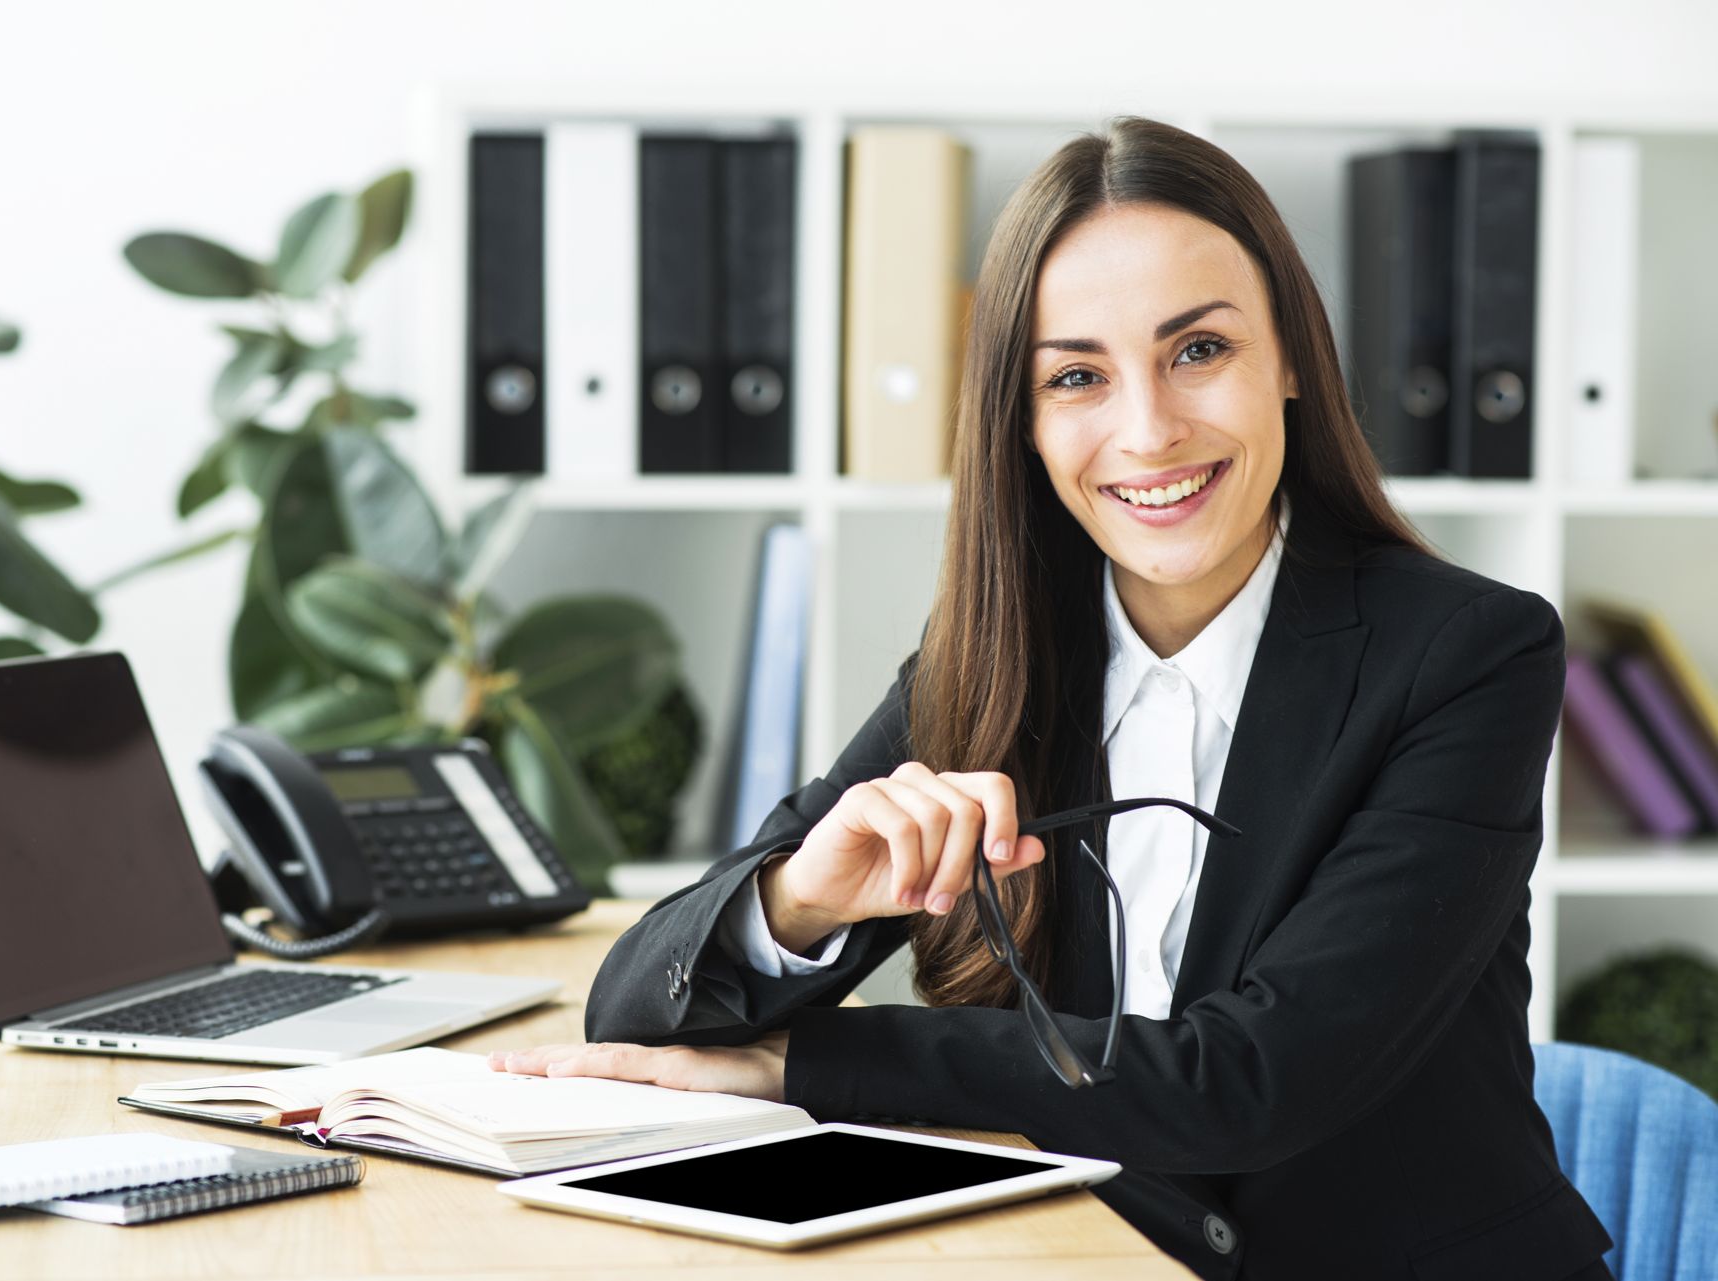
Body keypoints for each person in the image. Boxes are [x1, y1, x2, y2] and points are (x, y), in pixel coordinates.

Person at [488, 116, 1613, 1280]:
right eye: (1077, 375)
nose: (1147, 430)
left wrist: (803, 1066)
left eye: (1199, 351)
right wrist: (798, 898)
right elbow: (635, 1005)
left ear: (1289, 358)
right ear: (1022, 423)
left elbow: (1261, 1080)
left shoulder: (1468, 654)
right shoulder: (993, 659)